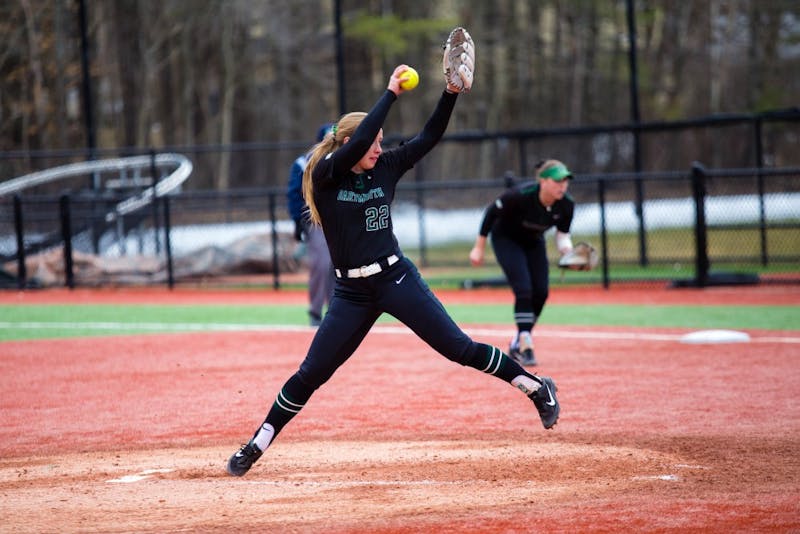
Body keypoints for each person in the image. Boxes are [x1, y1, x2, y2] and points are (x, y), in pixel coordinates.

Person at [227, 63, 560, 478]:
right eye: (373, 143)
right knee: (311, 373)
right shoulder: (326, 173)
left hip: (395, 278)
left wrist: (450, 93)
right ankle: (257, 444)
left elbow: (428, 137)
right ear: (348, 144)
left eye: (381, 142)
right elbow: (360, 138)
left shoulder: (385, 167)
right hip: (351, 294)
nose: (378, 149)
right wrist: (390, 93)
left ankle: (535, 387)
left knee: (458, 348)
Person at [469, 159, 576, 366]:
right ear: (543, 181)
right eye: (557, 181)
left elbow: (563, 236)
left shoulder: (566, 204)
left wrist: (570, 254)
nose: (562, 185)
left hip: (533, 242)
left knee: (541, 292)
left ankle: (517, 342)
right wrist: (479, 247)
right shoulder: (520, 195)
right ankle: (526, 343)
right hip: (506, 239)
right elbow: (491, 213)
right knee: (524, 289)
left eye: (565, 181)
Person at [287, 124, 336, 326]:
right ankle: (315, 312)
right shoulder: (303, 163)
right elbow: (294, 194)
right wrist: (298, 221)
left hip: (339, 220)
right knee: (321, 264)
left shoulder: (343, 159)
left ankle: (335, 312)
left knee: (338, 266)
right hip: (316, 221)